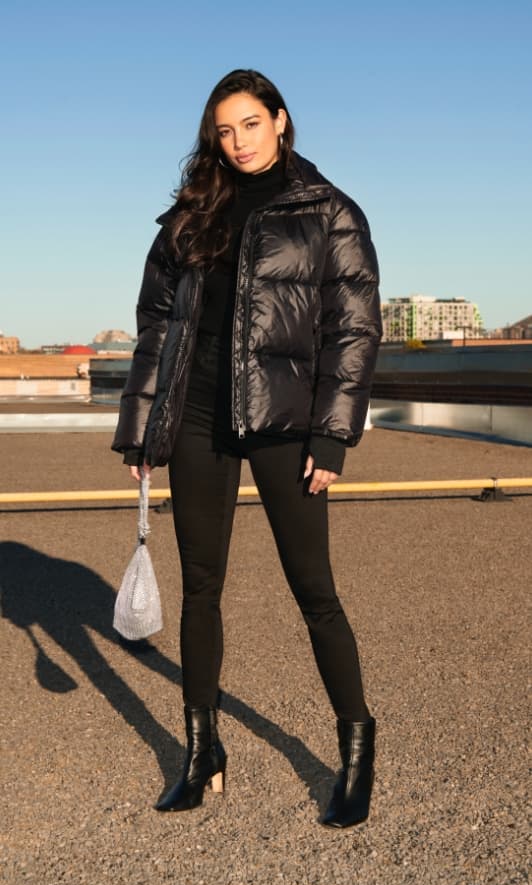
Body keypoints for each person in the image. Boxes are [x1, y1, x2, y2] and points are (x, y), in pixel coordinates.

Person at [112, 69, 382, 828]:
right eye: (223, 131)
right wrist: (143, 428)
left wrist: (333, 432)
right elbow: (156, 328)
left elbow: (354, 329)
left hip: (286, 424)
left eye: (250, 125)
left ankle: (356, 754)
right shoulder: (192, 215)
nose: (236, 142)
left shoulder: (329, 211)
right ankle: (202, 753)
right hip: (197, 417)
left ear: (282, 120)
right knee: (201, 585)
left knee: (314, 591)